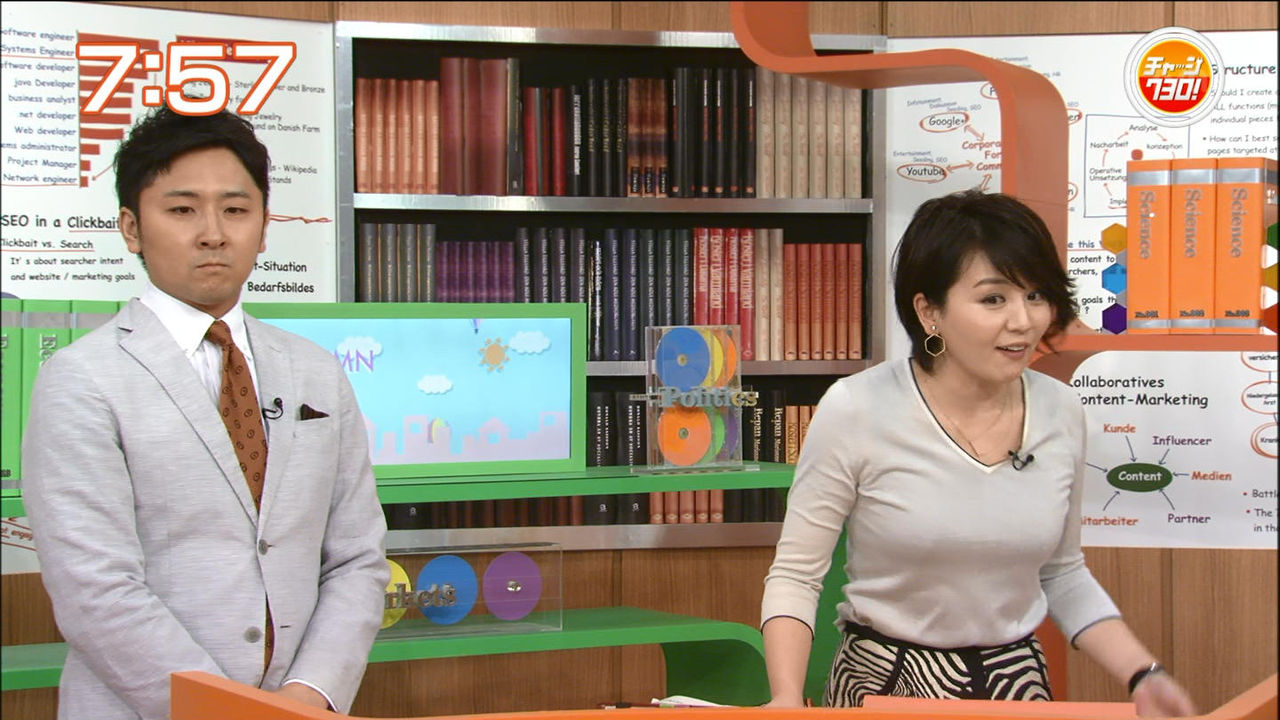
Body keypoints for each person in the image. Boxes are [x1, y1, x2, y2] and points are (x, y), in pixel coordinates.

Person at [759, 190, 1197, 716]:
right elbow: (796, 574)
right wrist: (786, 698)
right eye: (994, 299)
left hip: (1016, 687)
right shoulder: (856, 407)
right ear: (929, 311)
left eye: (1036, 295)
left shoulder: (1062, 410)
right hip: (884, 687)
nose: (1023, 321)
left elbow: (1063, 573)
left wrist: (1143, 674)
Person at [22, 107, 389, 720]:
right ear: (132, 228)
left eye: (236, 210)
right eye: (182, 210)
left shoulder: (316, 371)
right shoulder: (82, 379)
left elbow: (356, 557)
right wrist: (230, 712)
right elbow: (95, 590)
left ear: (264, 227)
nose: (213, 233)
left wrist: (308, 695)